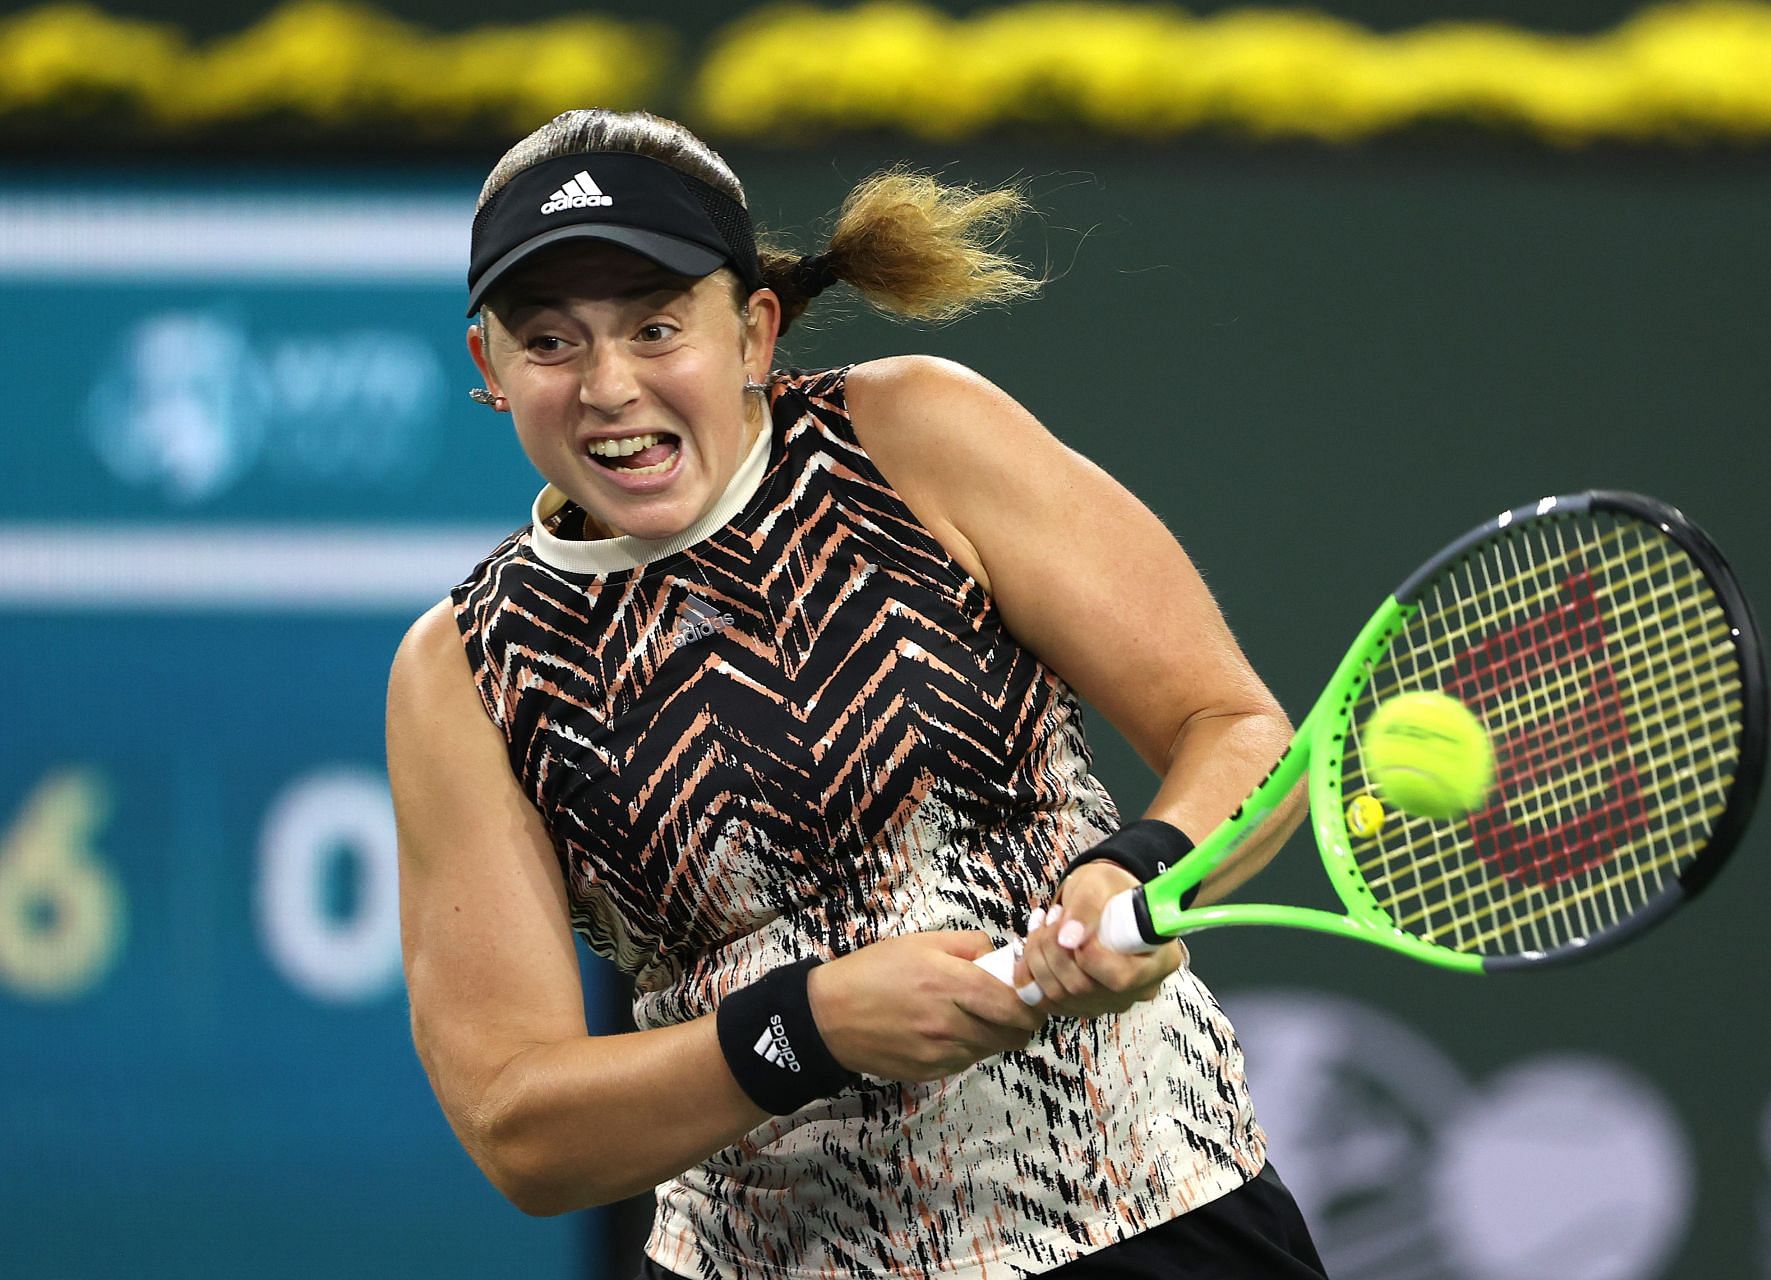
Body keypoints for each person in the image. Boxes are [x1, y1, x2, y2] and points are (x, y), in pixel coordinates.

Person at [386, 106, 1328, 1279]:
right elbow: (517, 1122)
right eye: (552, 342)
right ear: (491, 365)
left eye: (656, 327)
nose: (609, 386)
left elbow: (1236, 728)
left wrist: (1137, 871)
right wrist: (807, 1029)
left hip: (1152, 1217)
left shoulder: (913, 435)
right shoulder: (463, 670)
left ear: (753, 330)